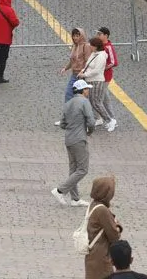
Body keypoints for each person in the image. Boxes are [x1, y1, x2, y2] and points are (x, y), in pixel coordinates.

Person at [51, 79, 95, 207]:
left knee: (73, 169)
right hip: (79, 139)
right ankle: (60, 190)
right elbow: (91, 121)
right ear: (82, 90)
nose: (88, 91)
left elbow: (63, 124)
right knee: (82, 169)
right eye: (87, 89)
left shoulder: (68, 103)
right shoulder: (84, 102)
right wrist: (89, 131)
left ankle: (75, 199)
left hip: (69, 139)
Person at [85, 176, 122, 279]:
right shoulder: (102, 210)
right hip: (101, 256)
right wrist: (118, 226)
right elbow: (114, 236)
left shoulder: (93, 204)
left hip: (92, 254)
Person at [79, 38, 112, 129]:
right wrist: (82, 71)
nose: (90, 46)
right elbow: (88, 66)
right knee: (92, 102)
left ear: (96, 46)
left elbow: (97, 70)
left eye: (91, 45)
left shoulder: (101, 56)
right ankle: (99, 119)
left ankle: (109, 120)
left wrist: (84, 74)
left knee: (96, 103)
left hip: (97, 81)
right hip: (90, 80)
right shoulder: (94, 54)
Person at [61, 28, 93, 102]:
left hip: (82, 76)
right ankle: (70, 110)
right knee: (69, 94)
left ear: (81, 36)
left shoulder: (86, 46)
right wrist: (65, 68)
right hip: (74, 74)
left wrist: (83, 72)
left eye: (77, 36)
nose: (75, 37)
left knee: (82, 96)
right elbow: (72, 60)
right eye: (74, 36)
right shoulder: (74, 46)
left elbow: (88, 62)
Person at [97, 28, 119, 132]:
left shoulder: (108, 47)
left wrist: (103, 68)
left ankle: (111, 119)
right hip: (100, 76)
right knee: (104, 98)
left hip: (106, 76)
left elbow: (114, 62)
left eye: (100, 34)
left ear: (106, 35)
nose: (98, 35)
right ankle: (104, 118)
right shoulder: (101, 46)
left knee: (100, 99)